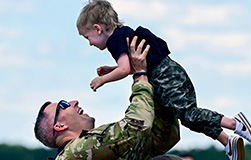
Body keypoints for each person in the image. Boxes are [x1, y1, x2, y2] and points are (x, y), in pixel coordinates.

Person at [76, 0, 251, 160]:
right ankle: (227, 142)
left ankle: (235, 123)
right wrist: (111, 69)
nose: (90, 43)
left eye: (87, 37)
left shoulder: (114, 41)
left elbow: (125, 69)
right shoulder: (123, 34)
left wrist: (104, 80)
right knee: (188, 118)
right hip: (169, 73)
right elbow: (135, 65)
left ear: (98, 29)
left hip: (166, 78)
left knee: (189, 114)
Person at [34, 37, 181, 159]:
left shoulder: (96, 153)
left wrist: (152, 76)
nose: (74, 102)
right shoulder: (75, 152)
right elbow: (137, 126)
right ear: (60, 126)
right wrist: (140, 75)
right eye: (64, 105)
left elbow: (163, 138)